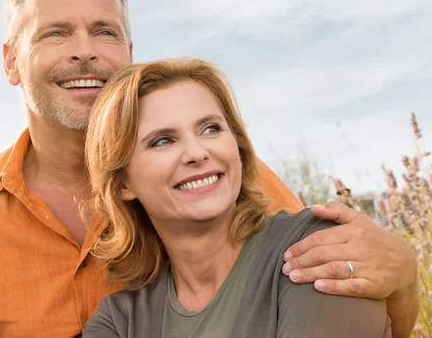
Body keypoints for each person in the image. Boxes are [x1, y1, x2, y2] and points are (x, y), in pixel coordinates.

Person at [0, 0, 418, 338]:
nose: (85, 52)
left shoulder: (225, 178)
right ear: (10, 61)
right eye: (55, 34)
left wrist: (403, 277)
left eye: (104, 31)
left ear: (129, 54)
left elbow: (333, 287)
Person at [82, 58, 392, 337]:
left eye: (210, 129)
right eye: (163, 141)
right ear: (123, 183)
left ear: (238, 147)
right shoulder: (120, 321)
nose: (197, 153)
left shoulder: (316, 248)